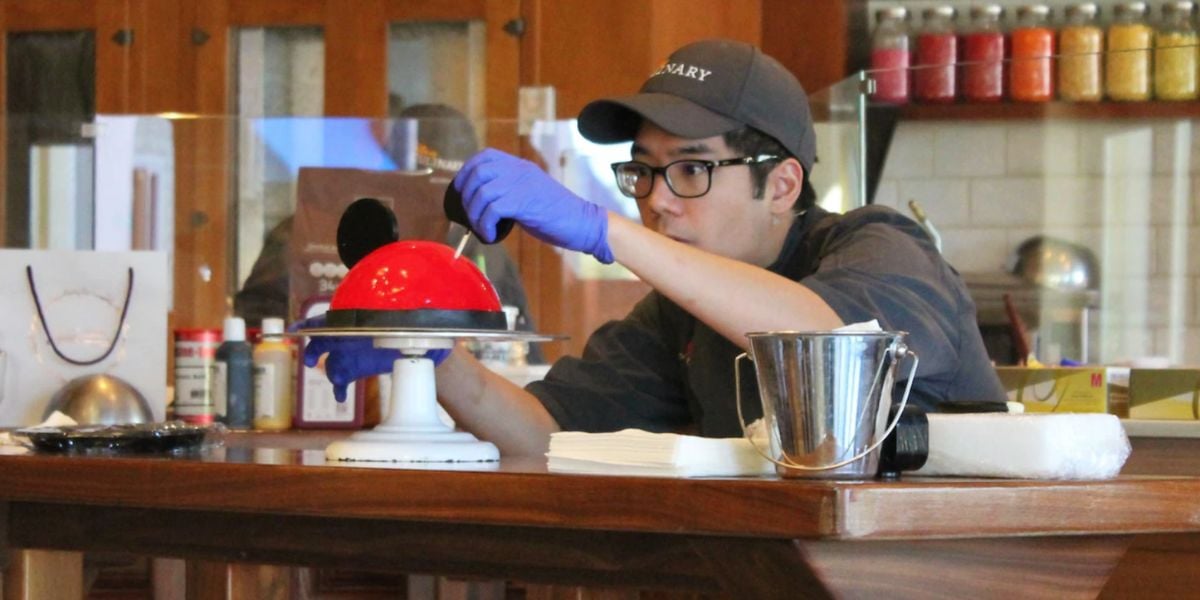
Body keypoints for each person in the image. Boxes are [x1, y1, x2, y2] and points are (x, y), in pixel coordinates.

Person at [306, 39, 1007, 456]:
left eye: (692, 169)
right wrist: (424, 352)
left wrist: (604, 231)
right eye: (643, 171)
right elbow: (546, 435)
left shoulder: (881, 248)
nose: (656, 199)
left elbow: (830, 344)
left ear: (782, 184)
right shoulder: (679, 319)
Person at [234, 104, 542, 362]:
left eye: (447, 192)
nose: (430, 205)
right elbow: (255, 326)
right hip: (317, 394)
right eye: (417, 186)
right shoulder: (316, 228)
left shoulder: (484, 248)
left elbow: (524, 350)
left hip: (451, 402)